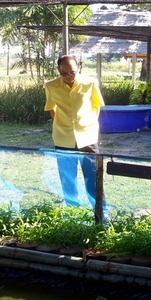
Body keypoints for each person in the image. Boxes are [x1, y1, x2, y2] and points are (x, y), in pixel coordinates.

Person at [44, 55, 108, 217]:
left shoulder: (90, 83)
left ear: (79, 67)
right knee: (68, 179)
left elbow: (96, 107)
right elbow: (52, 109)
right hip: (63, 138)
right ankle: (72, 214)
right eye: (64, 73)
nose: (68, 76)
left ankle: (101, 213)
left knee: (93, 178)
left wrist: (85, 125)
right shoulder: (51, 86)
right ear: (58, 70)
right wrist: (65, 124)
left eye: (72, 72)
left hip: (87, 138)